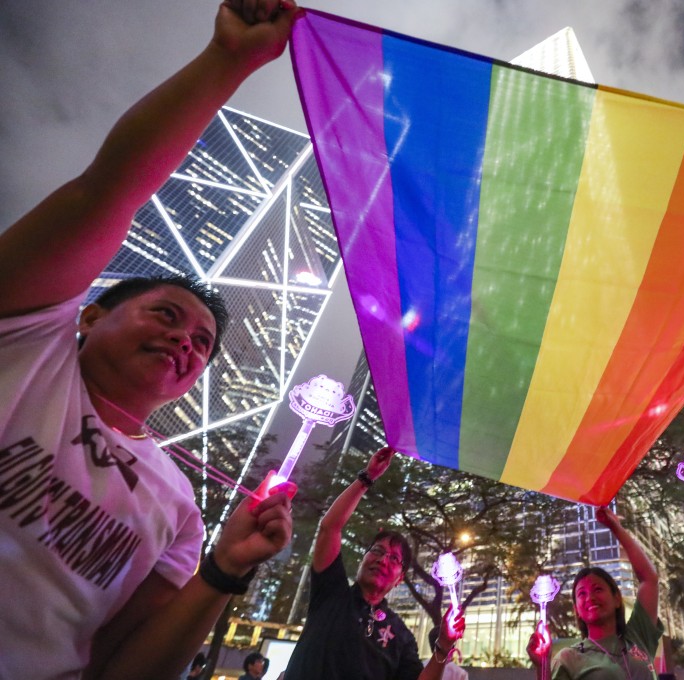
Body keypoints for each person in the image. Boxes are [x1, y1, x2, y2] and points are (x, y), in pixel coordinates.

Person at [0, 2, 298, 678]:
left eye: (201, 344)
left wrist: (222, 572)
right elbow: (100, 193)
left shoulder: (179, 508)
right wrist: (229, 60)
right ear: (90, 316)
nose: (185, 342)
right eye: (167, 315)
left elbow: (124, 666)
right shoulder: (23, 334)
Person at [284, 447, 466, 680]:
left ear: (401, 578)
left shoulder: (401, 636)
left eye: (393, 558)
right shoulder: (331, 593)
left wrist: (443, 644)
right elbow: (330, 528)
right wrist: (366, 477)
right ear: (364, 558)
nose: (382, 559)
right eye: (377, 551)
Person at [527, 506, 662, 680]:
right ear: (577, 610)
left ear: (617, 599)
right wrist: (542, 665)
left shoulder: (638, 637)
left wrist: (616, 528)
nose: (590, 597)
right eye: (581, 594)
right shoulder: (568, 658)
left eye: (598, 589)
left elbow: (649, 580)